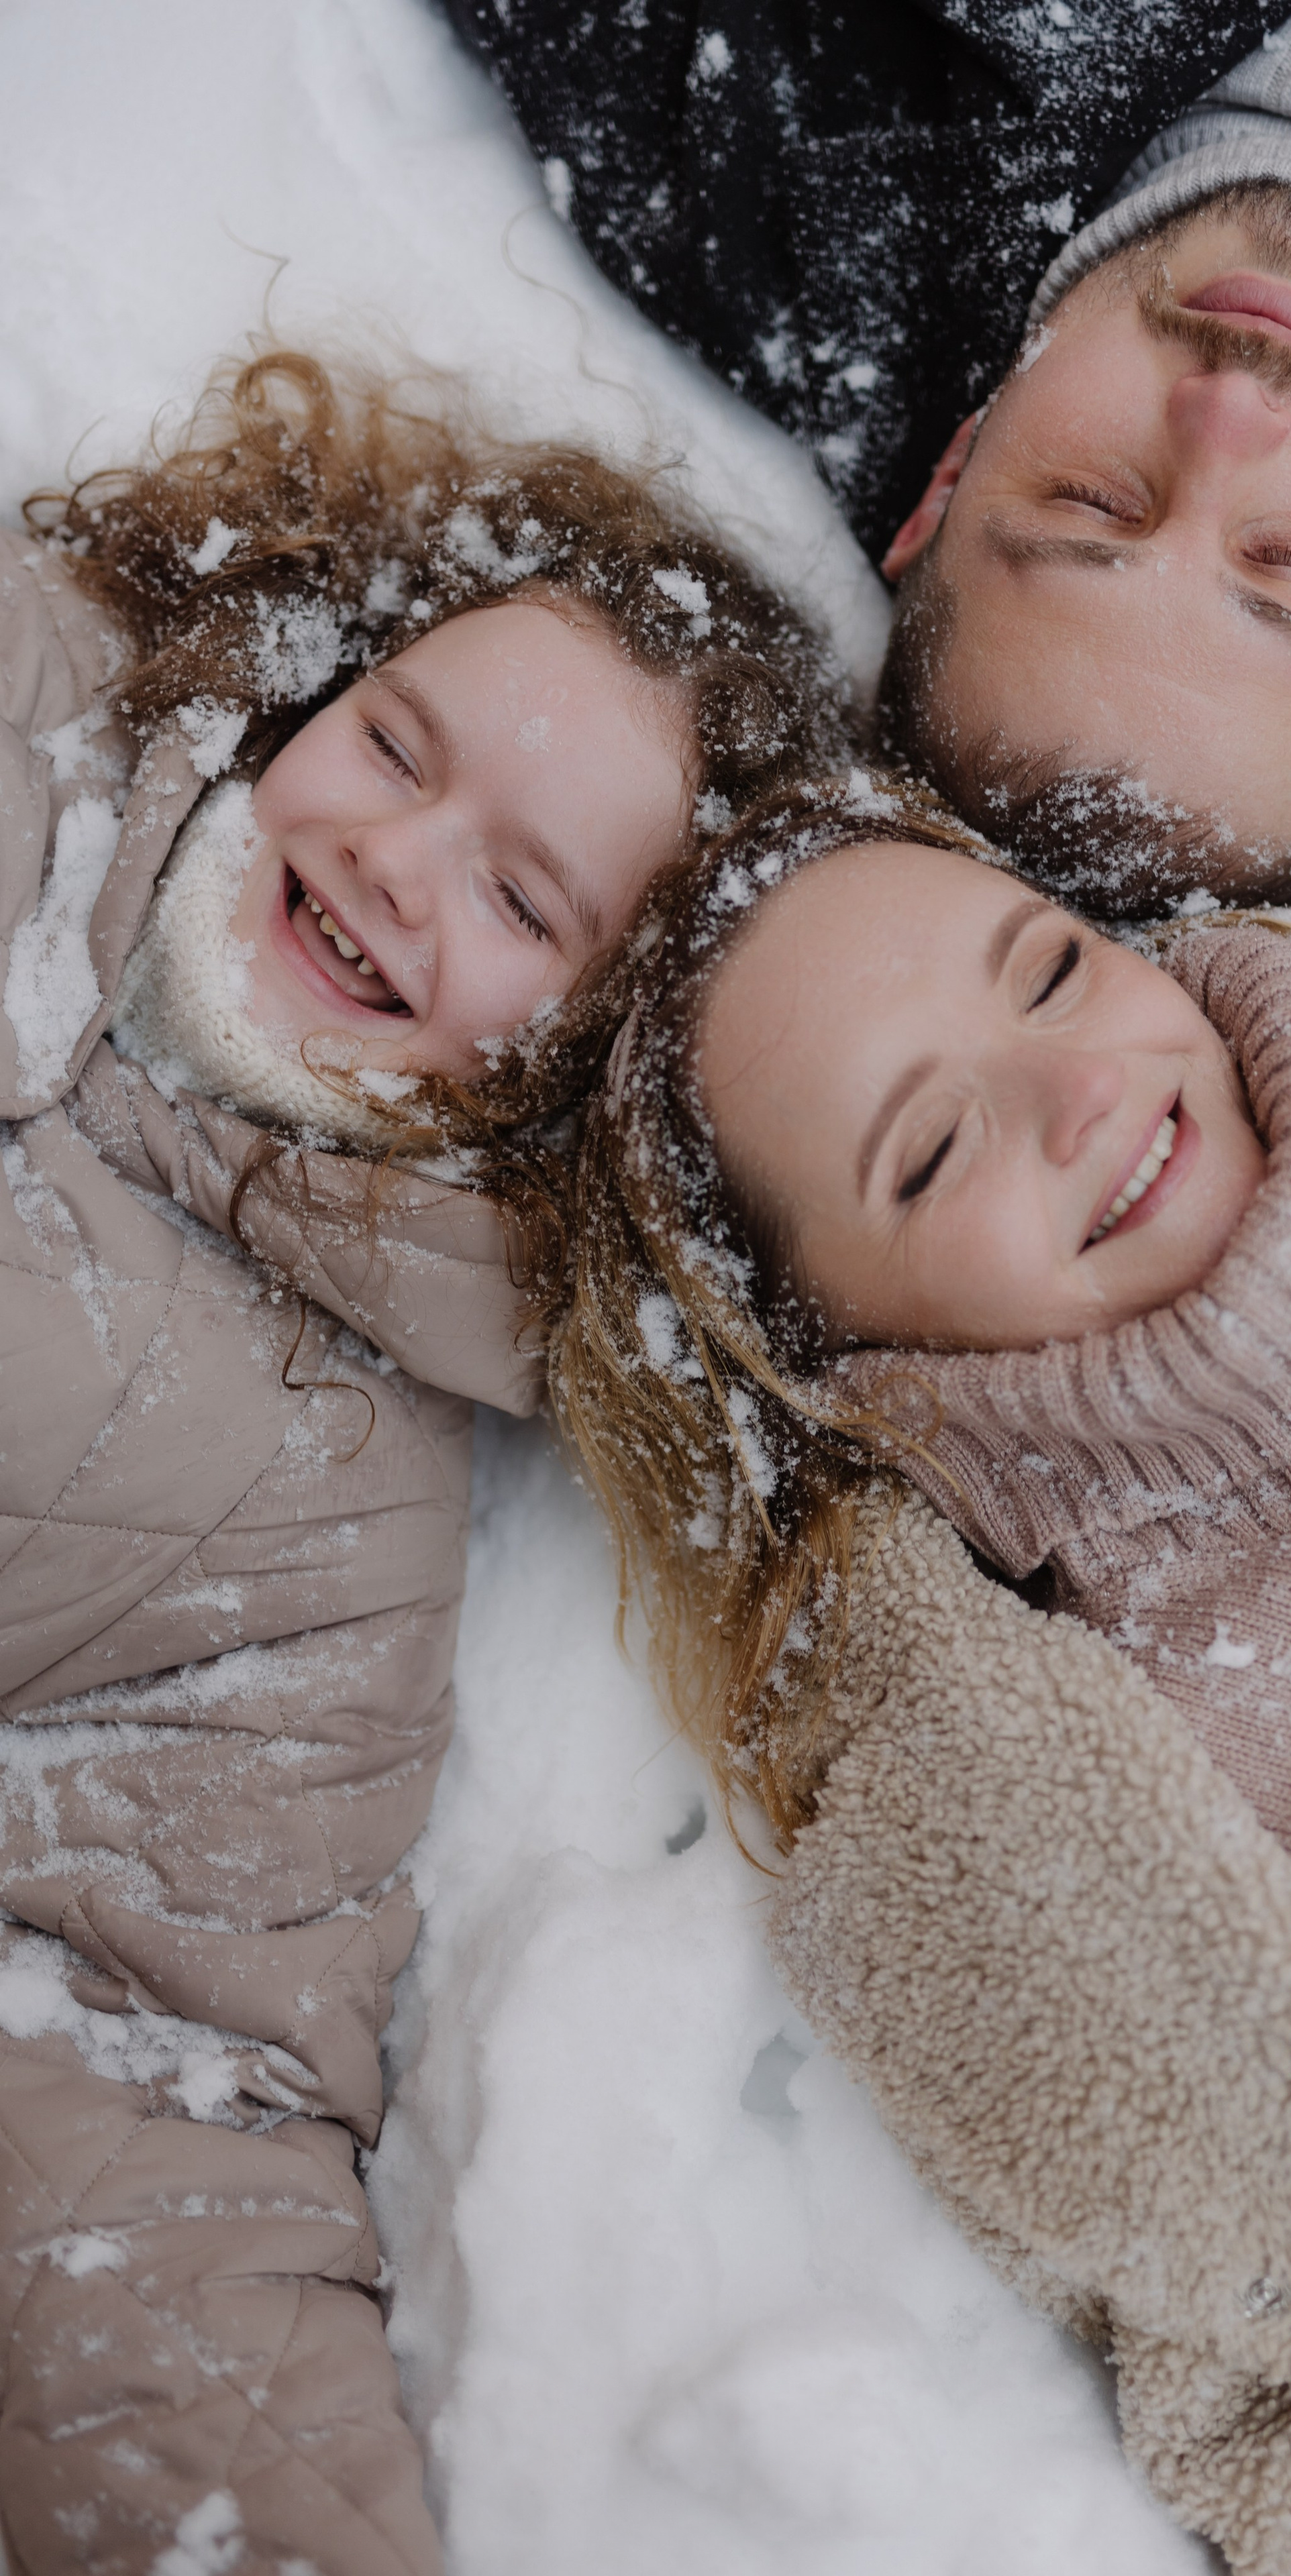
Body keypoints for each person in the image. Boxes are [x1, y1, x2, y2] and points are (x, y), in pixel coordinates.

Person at [554, 763, 1291, 2566]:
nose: (1086, 1090)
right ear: (842, 1360)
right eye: (931, 1152)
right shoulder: (1134, 1820)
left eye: (1049, 974)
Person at [0, 347, 842, 2576]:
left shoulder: (318, 1507)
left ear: (589, 1061)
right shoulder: (30, 682)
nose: (391, 856)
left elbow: (141, 2050)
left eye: (524, 899)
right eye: (395, 742)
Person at [452, 0, 1291, 890]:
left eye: (1096, 502)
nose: (1226, 417)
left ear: (947, 476)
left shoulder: (762, 169)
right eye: (1281, 563)